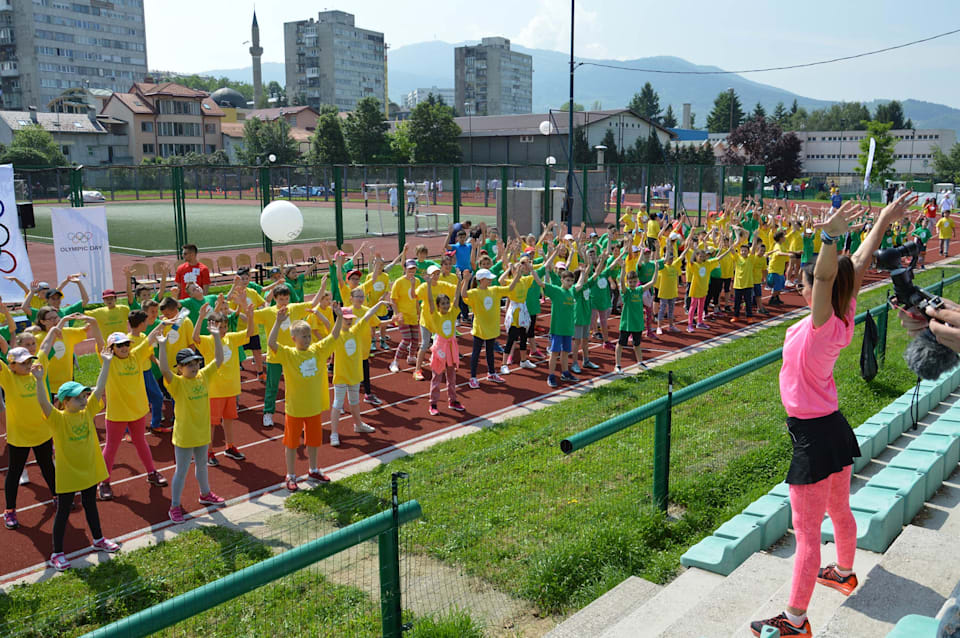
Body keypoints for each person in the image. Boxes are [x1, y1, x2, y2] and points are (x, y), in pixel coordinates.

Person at [751, 192, 917, 637]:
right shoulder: (844, 311)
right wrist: (882, 218)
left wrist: (828, 236)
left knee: (806, 534)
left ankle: (795, 620)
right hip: (834, 427)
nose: (803, 286)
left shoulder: (824, 318)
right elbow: (855, 266)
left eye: (805, 284)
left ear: (816, 291)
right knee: (839, 509)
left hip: (813, 434)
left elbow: (829, 274)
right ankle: (843, 571)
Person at [35, 359, 120, 570]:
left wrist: (107, 364)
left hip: (89, 468)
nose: (84, 400)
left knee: (91, 504)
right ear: (64, 402)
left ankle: (98, 539)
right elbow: (44, 403)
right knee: (63, 510)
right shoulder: (58, 419)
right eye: (78, 398)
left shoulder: (87, 412)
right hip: (68, 473)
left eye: (84, 396)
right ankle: (57, 553)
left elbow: (99, 388)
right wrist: (38, 381)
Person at [157, 326, 226, 524]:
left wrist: (216, 336)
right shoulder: (177, 383)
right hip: (185, 435)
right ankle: (175, 506)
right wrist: (162, 346)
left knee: (203, 465)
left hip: (202, 432)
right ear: (179, 368)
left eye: (196, 362)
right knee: (182, 470)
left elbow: (219, 360)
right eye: (188, 364)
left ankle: (205, 494)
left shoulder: (203, 376)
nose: (194, 366)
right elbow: (163, 369)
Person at [268, 304, 341, 491]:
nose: (308, 339)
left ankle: (313, 469)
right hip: (295, 408)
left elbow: (333, 336)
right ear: (294, 339)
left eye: (309, 336)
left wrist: (339, 317)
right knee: (292, 444)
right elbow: (271, 344)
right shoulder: (288, 354)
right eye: (304, 336)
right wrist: (277, 322)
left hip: (314, 406)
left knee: (314, 441)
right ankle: (291, 474)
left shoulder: (317, 350)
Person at [98, 330, 168, 501]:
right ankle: (104, 482)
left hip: (137, 410)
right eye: (119, 345)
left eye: (126, 344)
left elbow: (150, 338)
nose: (124, 347)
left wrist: (164, 323)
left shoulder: (136, 356)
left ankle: (151, 472)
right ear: (111, 348)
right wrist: (93, 323)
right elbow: (100, 343)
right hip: (117, 413)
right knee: (111, 447)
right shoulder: (109, 361)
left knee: (141, 442)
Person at [193, 302, 255, 466]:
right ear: (211, 327)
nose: (223, 330)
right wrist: (200, 317)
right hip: (215, 390)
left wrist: (250, 316)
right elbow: (194, 338)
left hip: (231, 388)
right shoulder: (207, 341)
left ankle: (230, 446)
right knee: (213, 423)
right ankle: (209, 451)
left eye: (225, 327)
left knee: (228, 419)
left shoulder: (231, 339)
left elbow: (250, 332)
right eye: (219, 327)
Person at [2, 347, 56, 531]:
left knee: (47, 466)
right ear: (12, 365)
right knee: (15, 472)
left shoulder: (37, 374)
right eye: (23, 363)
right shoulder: (8, 378)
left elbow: (45, 347)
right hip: (20, 436)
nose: (28, 365)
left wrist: (59, 327)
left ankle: (57, 496)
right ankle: (9, 509)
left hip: (42, 432)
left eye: (29, 361)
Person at [328, 302, 386, 446]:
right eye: (345, 319)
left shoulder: (356, 330)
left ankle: (358, 425)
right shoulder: (337, 334)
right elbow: (334, 332)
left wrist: (378, 304)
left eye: (350, 319)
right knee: (337, 403)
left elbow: (367, 316)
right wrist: (338, 317)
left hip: (354, 374)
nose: (348, 321)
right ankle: (334, 433)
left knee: (354, 401)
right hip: (341, 375)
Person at [463, 268, 516, 388]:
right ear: (481, 280)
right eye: (488, 278)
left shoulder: (494, 290)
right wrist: (466, 281)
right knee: (476, 354)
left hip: (492, 327)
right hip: (480, 329)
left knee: (490, 352)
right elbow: (464, 295)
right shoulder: (475, 292)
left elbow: (509, 288)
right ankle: (473, 377)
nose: (491, 280)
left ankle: (491, 373)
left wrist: (516, 276)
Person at [424, 273, 466, 415]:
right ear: (438, 306)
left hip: (451, 347)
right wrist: (429, 284)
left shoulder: (452, 313)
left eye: (447, 303)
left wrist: (460, 281)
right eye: (443, 304)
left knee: (451, 376)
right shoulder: (436, 315)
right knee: (437, 376)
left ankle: (453, 400)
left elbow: (457, 299)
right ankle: (433, 404)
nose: (446, 306)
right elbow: (430, 301)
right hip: (440, 348)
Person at [614, 258, 658, 374]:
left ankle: (640, 362)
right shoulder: (626, 292)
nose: (632, 284)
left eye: (634, 282)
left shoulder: (639, 290)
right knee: (621, 344)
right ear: (628, 282)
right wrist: (623, 268)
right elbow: (622, 284)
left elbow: (653, 282)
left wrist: (656, 268)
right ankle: (618, 365)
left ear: (637, 281)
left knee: (637, 344)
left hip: (637, 323)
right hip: (627, 323)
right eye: (630, 282)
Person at [389, 259, 420, 373]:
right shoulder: (399, 282)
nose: (412, 271)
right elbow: (393, 299)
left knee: (416, 339)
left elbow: (416, 298)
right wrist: (397, 314)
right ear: (405, 269)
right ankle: (395, 361)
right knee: (406, 339)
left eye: (413, 269)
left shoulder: (417, 281)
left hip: (412, 314)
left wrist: (418, 312)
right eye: (409, 269)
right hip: (403, 314)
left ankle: (411, 356)